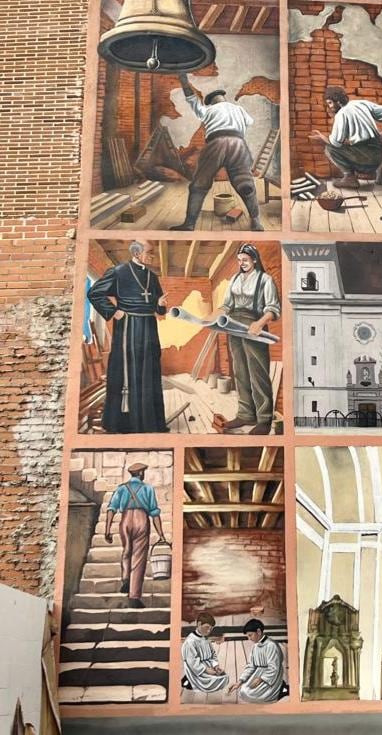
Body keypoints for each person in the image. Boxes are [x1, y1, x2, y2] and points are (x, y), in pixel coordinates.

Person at [87, 241, 168, 433]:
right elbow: (94, 293)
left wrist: (161, 303)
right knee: (128, 373)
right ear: (137, 253)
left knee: (150, 371)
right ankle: (123, 424)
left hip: (149, 327)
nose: (152, 256)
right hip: (128, 327)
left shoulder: (152, 277)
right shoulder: (118, 271)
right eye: (149, 253)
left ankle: (150, 423)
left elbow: (158, 309)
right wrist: (114, 312)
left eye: (153, 253)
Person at [172, 72, 263, 231]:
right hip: (238, 144)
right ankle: (256, 222)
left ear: (211, 102)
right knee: (245, 184)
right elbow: (249, 123)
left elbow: (192, 100)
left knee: (199, 185)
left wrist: (184, 82)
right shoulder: (238, 109)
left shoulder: (209, 110)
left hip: (216, 144)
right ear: (223, 98)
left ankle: (189, 224)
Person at [220, 244, 280, 435]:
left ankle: (264, 419)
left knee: (258, 372)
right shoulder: (235, 279)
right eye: (239, 260)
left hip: (254, 326)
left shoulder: (265, 280)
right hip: (233, 325)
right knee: (240, 371)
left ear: (254, 259)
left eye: (245, 260)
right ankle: (246, 414)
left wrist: (259, 324)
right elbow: (227, 305)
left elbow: (273, 308)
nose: (242, 263)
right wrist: (214, 318)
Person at [103, 461, 166, 609]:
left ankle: (125, 578)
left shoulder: (121, 489)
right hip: (141, 519)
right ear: (141, 473)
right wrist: (161, 534)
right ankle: (134, 596)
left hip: (125, 520)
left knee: (126, 550)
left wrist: (107, 529)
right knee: (138, 557)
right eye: (143, 472)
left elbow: (111, 508)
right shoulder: (148, 489)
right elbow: (154, 513)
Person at [309, 86, 382, 190]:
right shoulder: (361, 104)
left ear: (337, 100)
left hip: (367, 161)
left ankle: (350, 178)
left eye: (330, 103)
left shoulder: (341, 114)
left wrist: (322, 137)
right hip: (379, 155)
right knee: (351, 144)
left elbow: (335, 143)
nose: (330, 107)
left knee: (329, 149)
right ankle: (380, 170)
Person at [230, 619, 287, 703]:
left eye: (250, 635)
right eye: (248, 636)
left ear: (259, 632)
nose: (249, 639)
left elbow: (273, 668)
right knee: (243, 691)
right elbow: (251, 666)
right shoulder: (255, 646)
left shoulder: (271, 645)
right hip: (258, 673)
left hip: (271, 677)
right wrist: (240, 681)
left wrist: (260, 679)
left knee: (252, 695)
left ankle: (281, 688)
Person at [181, 612, 229, 694]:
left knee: (225, 677)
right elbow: (192, 662)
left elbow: (212, 654)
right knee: (215, 680)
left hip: (209, 666)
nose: (209, 631)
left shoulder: (206, 639)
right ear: (199, 624)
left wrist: (215, 666)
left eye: (211, 628)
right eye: (207, 627)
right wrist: (206, 670)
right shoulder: (190, 641)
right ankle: (190, 681)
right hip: (197, 670)